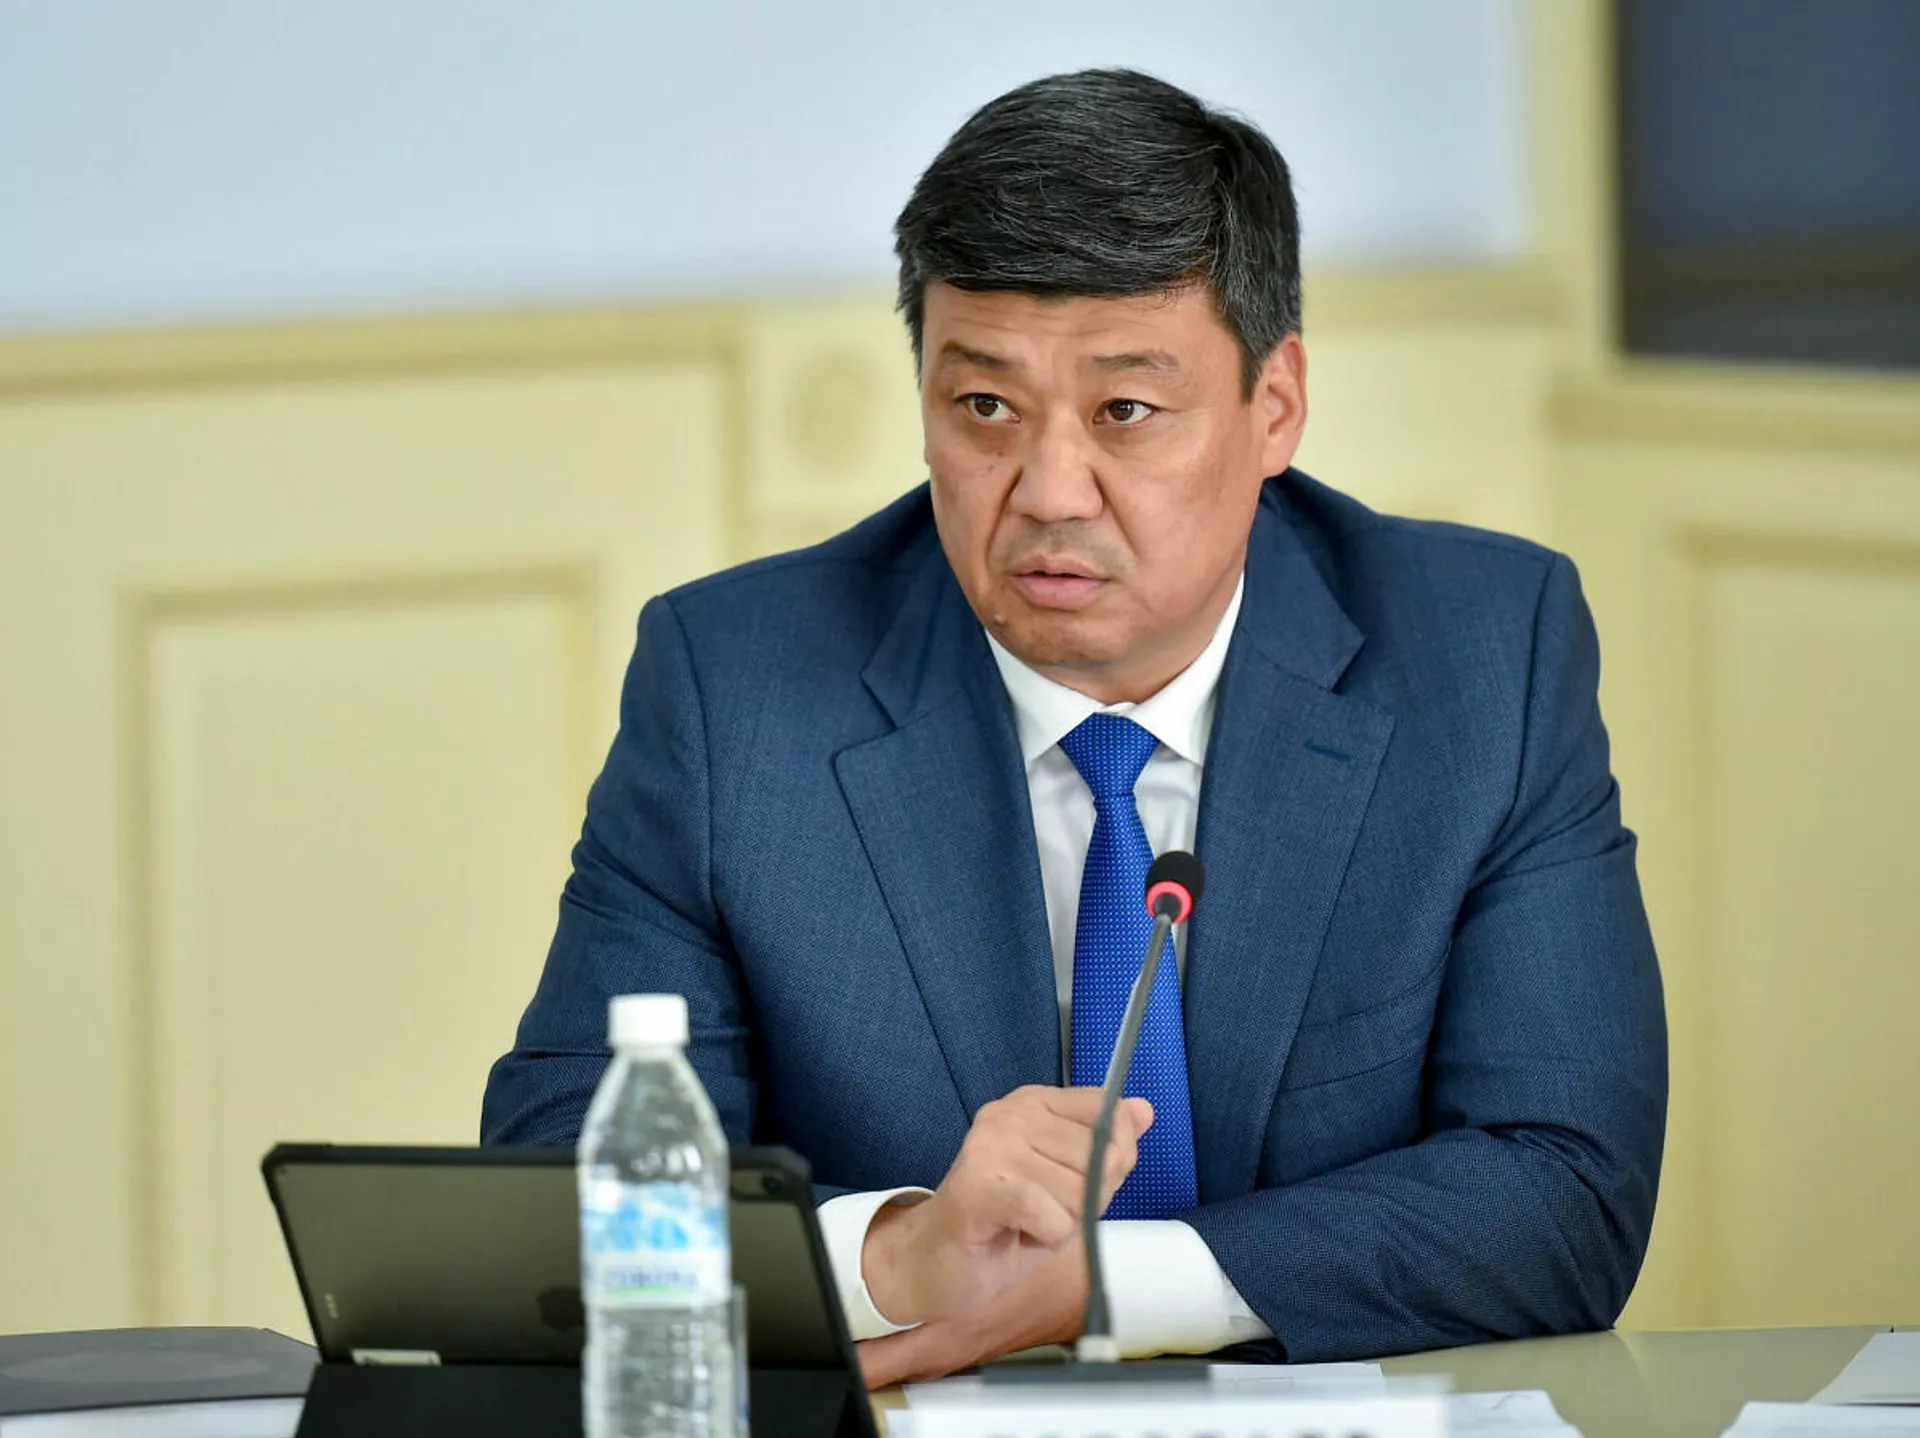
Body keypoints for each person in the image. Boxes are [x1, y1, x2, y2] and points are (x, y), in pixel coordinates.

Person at [482, 68, 1667, 1386]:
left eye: (1125, 412)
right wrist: (895, 1255)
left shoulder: (1482, 657)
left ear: (1275, 405)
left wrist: (1097, 1289)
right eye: (984, 406)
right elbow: (558, 1190)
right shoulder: (735, 687)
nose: (1049, 492)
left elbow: (1566, 1187)